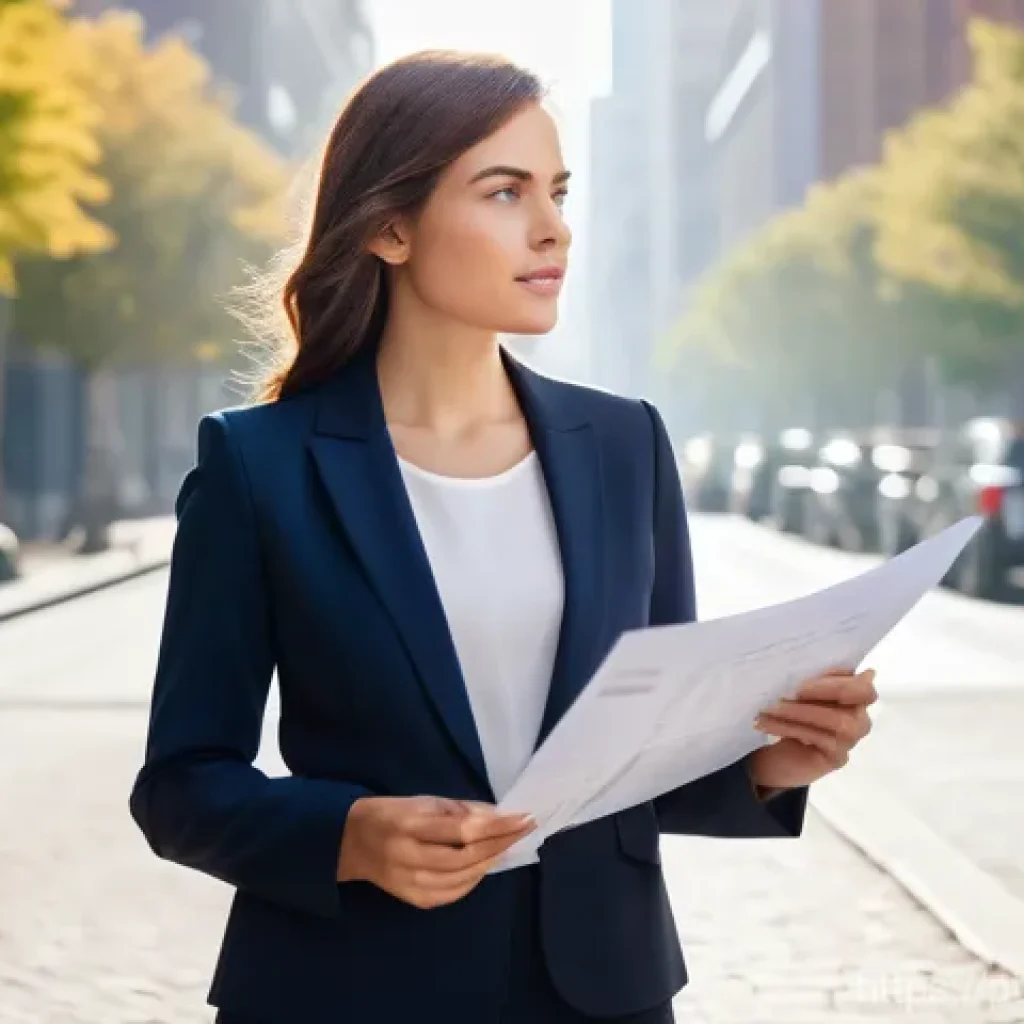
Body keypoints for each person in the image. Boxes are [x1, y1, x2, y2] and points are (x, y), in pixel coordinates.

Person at [128, 50, 878, 1024]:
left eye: (558, 192)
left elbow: (640, 754)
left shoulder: (622, 445)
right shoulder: (258, 464)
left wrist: (771, 764)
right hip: (344, 989)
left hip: (601, 990)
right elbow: (181, 784)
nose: (552, 227)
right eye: (503, 191)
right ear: (389, 225)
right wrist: (347, 833)